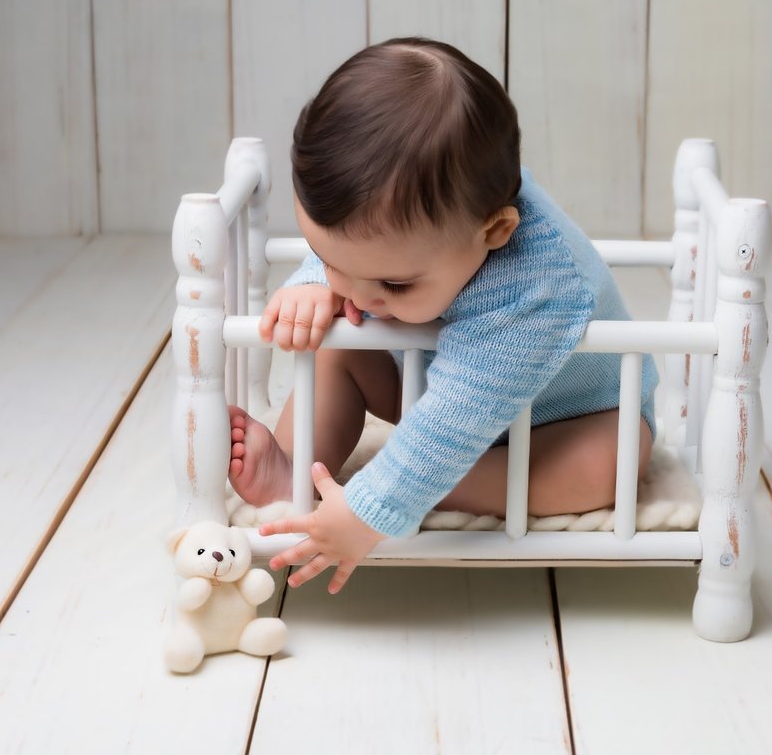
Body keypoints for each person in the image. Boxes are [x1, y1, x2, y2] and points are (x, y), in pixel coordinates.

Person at [227, 37, 658, 594]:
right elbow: (360, 246)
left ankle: (422, 484)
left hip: (565, 422)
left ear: (495, 231)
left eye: (395, 284)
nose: (357, 293)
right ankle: (295, 468)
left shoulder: (537, 289)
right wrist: (313, 282)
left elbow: (454, 416)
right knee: (341, 347)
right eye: (331, 259)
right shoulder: (422, 227)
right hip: (433, 386)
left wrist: (370, 510)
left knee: (611, 465)